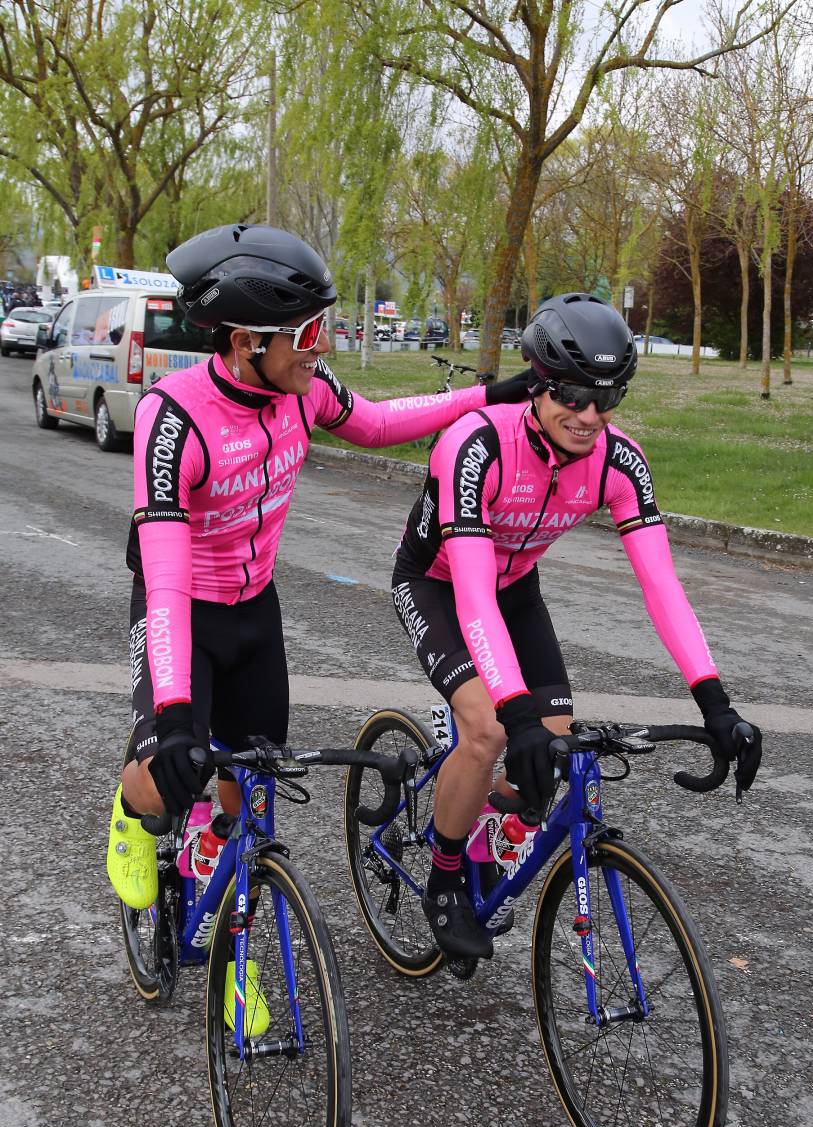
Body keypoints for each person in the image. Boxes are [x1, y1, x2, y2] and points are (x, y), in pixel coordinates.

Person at [106, 223, 531, 912]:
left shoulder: (306, 390)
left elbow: (381, 421)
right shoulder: (173, 415)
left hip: (255, 609)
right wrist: (178, 714)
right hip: (180, 608)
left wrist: (489, 396)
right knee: (166, 778)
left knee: (255, 781)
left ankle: (227, 942)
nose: (323, 346)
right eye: (307, 334)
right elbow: (165, 578)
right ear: (247, 342)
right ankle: (129, 812)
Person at [391, 292, 762, 960]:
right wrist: (512, 711)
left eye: (607, 397)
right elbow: (471, 589)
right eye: (571, 395)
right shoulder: (475, 446)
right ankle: (443, 881)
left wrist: (715, 701)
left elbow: (662, 586)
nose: (589, 415)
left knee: (556, 747)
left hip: (516, 588)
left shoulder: (620, 462)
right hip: (441, 584)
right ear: (537, 384)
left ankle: (477, 831)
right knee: (489, 730)